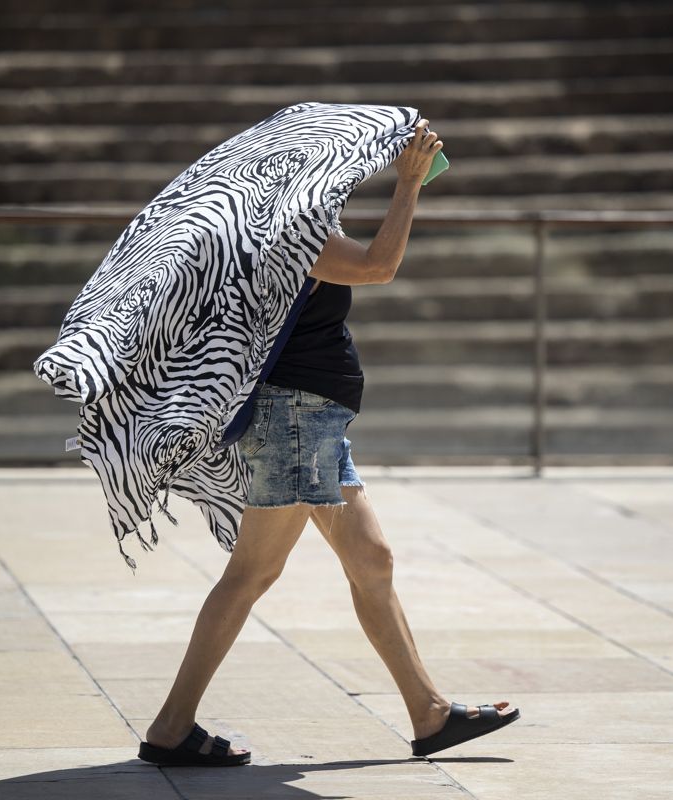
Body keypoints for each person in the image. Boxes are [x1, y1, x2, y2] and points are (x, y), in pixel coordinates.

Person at [137, 119, 520, 767]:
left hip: (314, 421)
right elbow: (378, 266)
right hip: (294, 418)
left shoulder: (298, 226)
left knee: (373, 560)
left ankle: (429, 716)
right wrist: (409, 185)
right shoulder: (291, 232)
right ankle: (172, 728)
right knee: (253, 572)